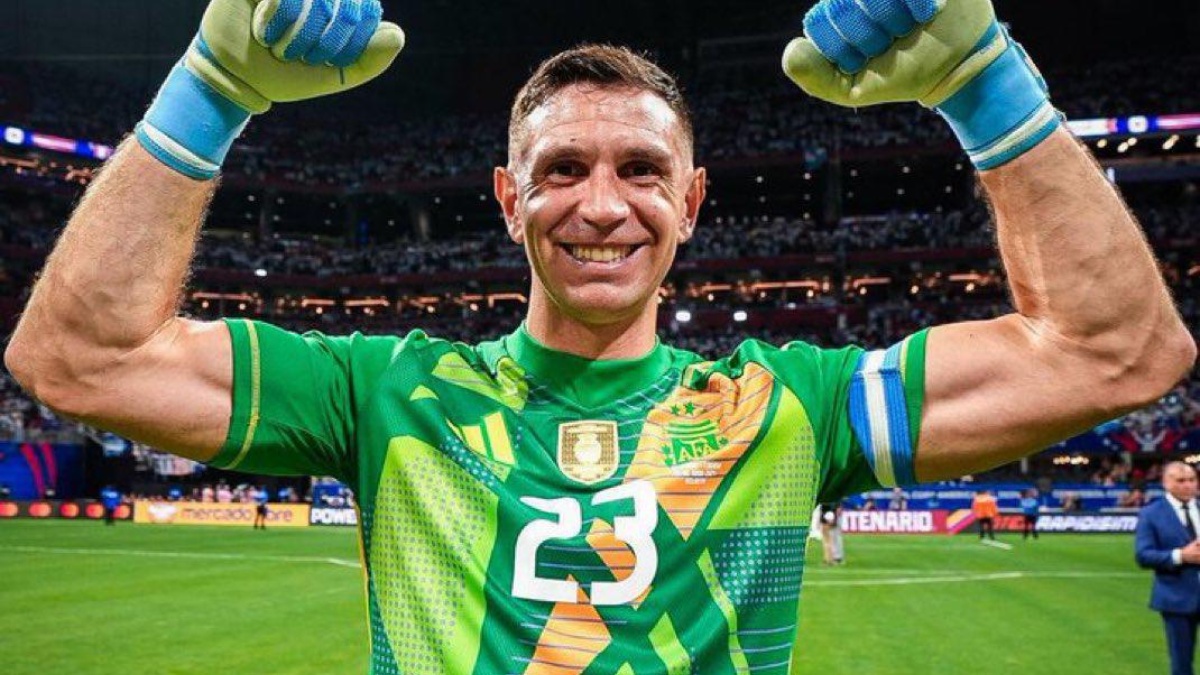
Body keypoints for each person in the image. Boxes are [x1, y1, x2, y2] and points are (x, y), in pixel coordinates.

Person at [4, 0, 1194, 670]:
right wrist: (208, 86)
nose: (603, 203)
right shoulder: (386, 390)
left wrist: (989, 85)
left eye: (642, 169)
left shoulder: (789, 405)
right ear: (510, 199)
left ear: (691, 201)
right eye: (561, 169)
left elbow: (1118, 352)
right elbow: (76, 359)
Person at [1136, 462, 1200, 675]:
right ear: (1165, 482)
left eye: (1192, 480)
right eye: (1180, 480)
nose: (1188, 485)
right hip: (1176, 599)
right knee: (1181, 663)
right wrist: (1181, 556)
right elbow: (1143, 555)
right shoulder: (1151, 514)